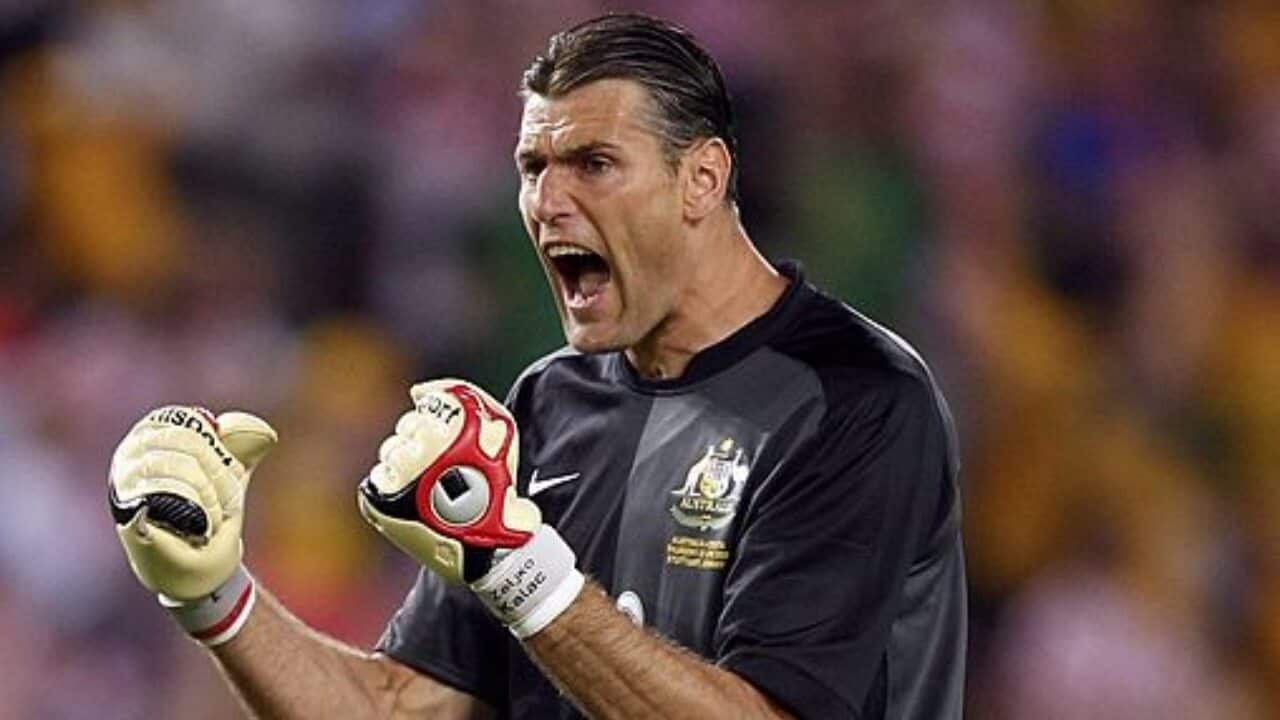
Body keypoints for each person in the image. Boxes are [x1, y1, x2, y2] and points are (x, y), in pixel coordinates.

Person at [107, 13, 966, 719]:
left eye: (593, 164)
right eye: (533, 167)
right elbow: (405, 709)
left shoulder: (855, 398)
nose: (549, 204)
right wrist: (216, 597)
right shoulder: (549, 404)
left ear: (702, 178)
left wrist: (516, 566)